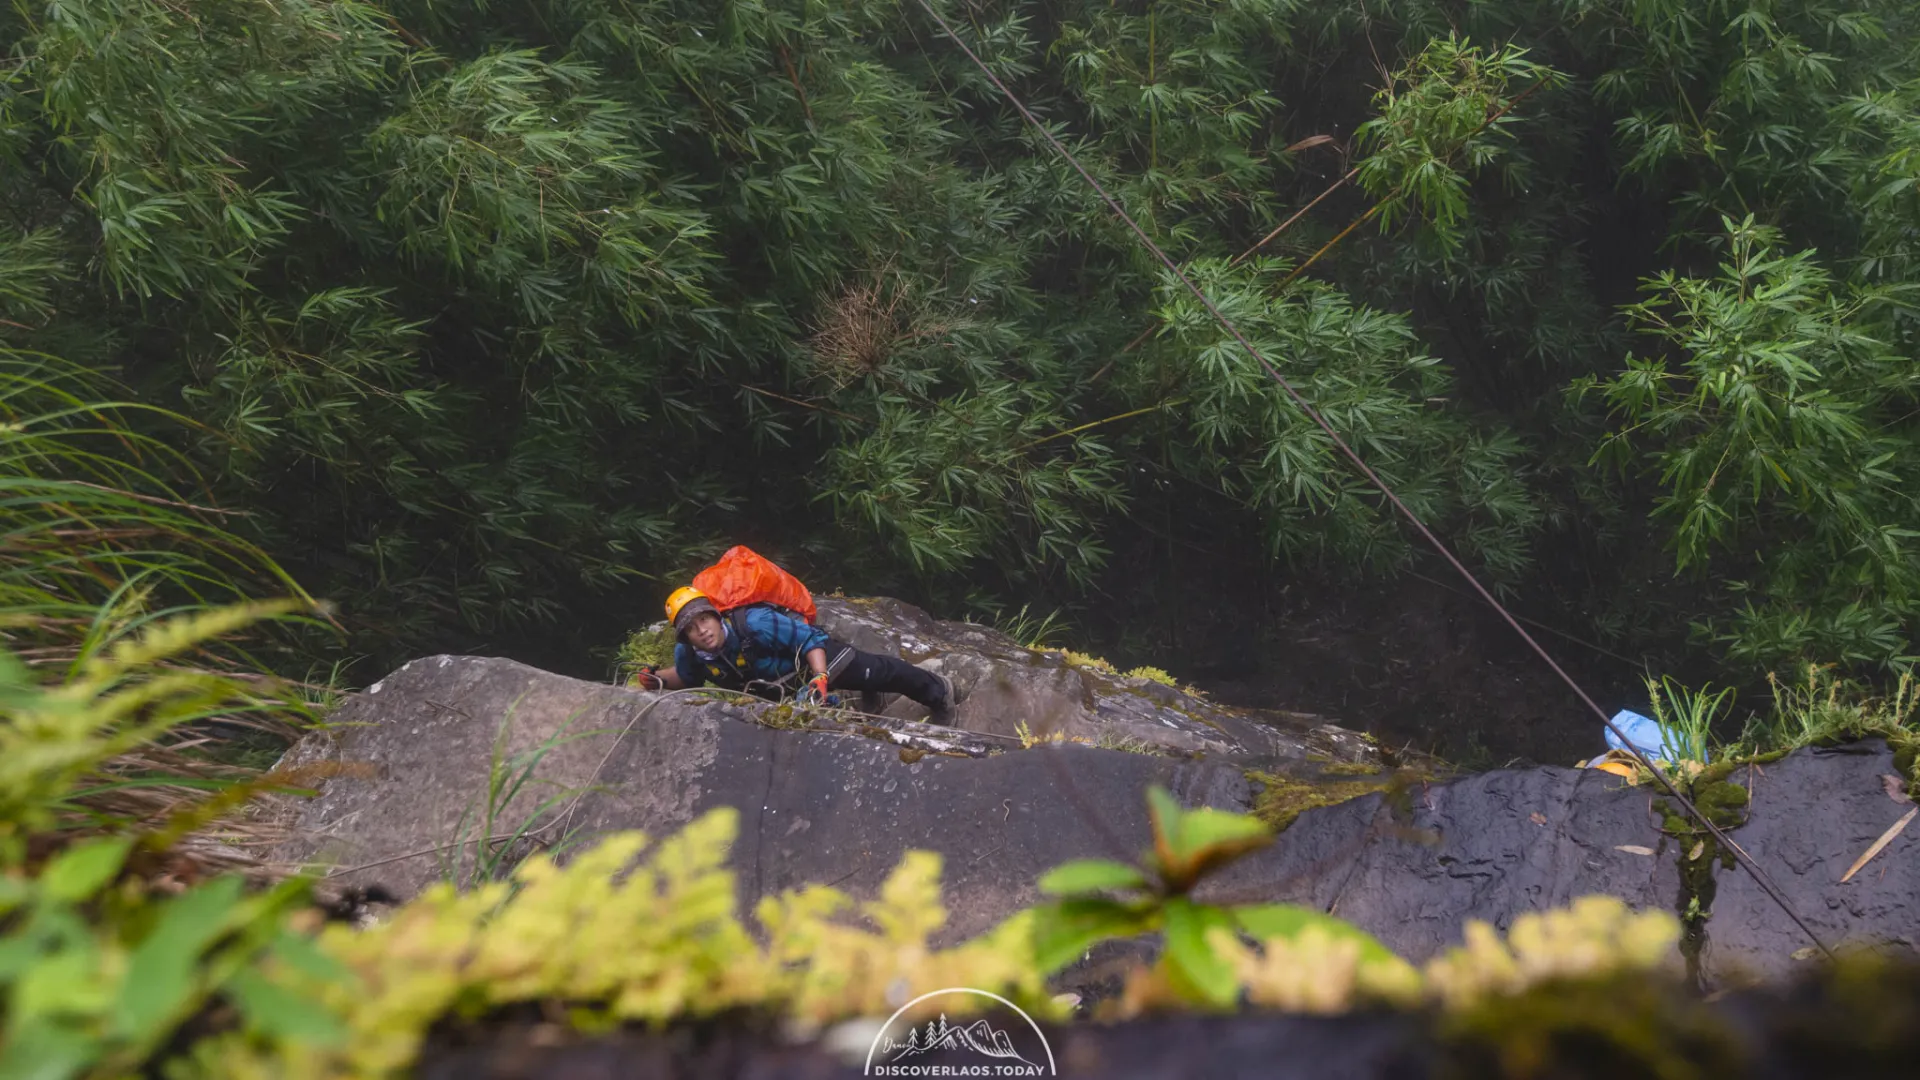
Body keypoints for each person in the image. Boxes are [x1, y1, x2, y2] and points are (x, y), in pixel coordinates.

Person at [631, 587, 959, 724]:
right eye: (692, 628)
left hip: (810, 661)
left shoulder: (755, 623)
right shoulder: (689, 654)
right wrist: (655, 680)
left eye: (705, 619)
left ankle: (938, 689)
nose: (702, 630)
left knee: (876, 671)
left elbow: (811, 639)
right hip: (782, 692)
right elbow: (686, 677)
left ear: (717, 617)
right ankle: (865, 695)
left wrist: (820, 677)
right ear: (685, 636)